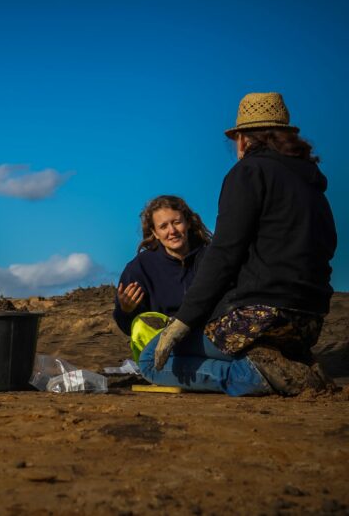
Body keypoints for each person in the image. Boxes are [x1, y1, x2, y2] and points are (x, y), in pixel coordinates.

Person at [142, 92, 338, 396]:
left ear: (243, 139)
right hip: (308, 323)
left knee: (151, 360)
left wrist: (184, 320)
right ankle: (290, 363)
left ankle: (256, 375)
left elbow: (224, 254)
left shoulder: (248, 173)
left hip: (260, 318)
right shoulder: (313, 185)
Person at [113, 195, 212, 359]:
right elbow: (129, 328)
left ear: (187, 223)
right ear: (155, 233)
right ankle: (156, 369)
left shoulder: (212, 258)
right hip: (164, 349)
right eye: (163, 226)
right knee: (140, 323)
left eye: (176, 222)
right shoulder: (139, 267)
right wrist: (125, 311)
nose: (172, 231)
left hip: (207, 339)